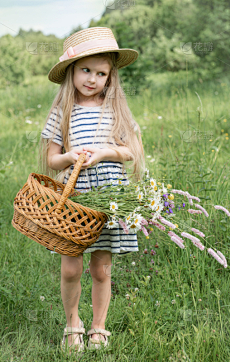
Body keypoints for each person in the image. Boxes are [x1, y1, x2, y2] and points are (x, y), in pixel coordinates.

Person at [39, 27, 144, 355]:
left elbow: (132, 151)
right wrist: (69, 157)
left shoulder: (116, 110)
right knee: (71, 267)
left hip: (107, 201)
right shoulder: (62, 112)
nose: (93, 79)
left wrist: (104, 152)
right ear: (71, 70)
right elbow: (51, 159)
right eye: (86, 70)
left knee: (101, 267)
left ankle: (99, 326)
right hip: (76, 200)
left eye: (101, 73)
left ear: (110, 77)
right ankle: (73, 324)